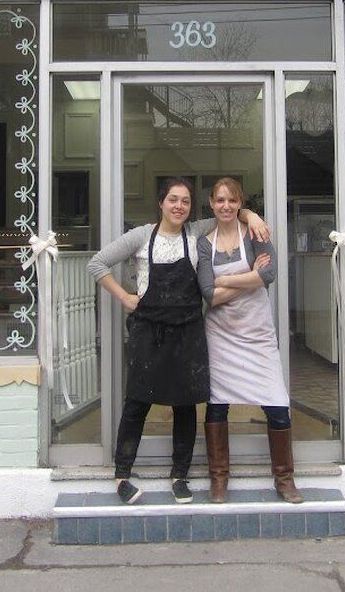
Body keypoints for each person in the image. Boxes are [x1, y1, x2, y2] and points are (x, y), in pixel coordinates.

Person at [88, 177, 269, 505]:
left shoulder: (196, 232)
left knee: (185, 405)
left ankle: (180, 475)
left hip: (188, 331)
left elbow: (228, 211)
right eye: (173, 199)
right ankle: (122, 474)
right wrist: (124, 297)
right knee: (137, 403)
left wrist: (252, 215)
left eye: (185, 201)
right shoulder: (141, 236)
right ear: (161, 203)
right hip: (149, 332)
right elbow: (97, 263)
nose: (179, 206)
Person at [197, 177, 304, 504]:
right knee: (217, 406)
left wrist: (225, 279)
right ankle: (219, 479)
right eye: (220, 200)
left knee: (277, 405)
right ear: (211, 204)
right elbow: (209, 295)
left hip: (257, 335)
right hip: (220, 335)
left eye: (232, 200)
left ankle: (284, 479)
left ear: (240, 203)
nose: (226, 206)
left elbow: (269, 275)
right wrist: (250, 278)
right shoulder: (205, 243)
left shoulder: (255, 233)